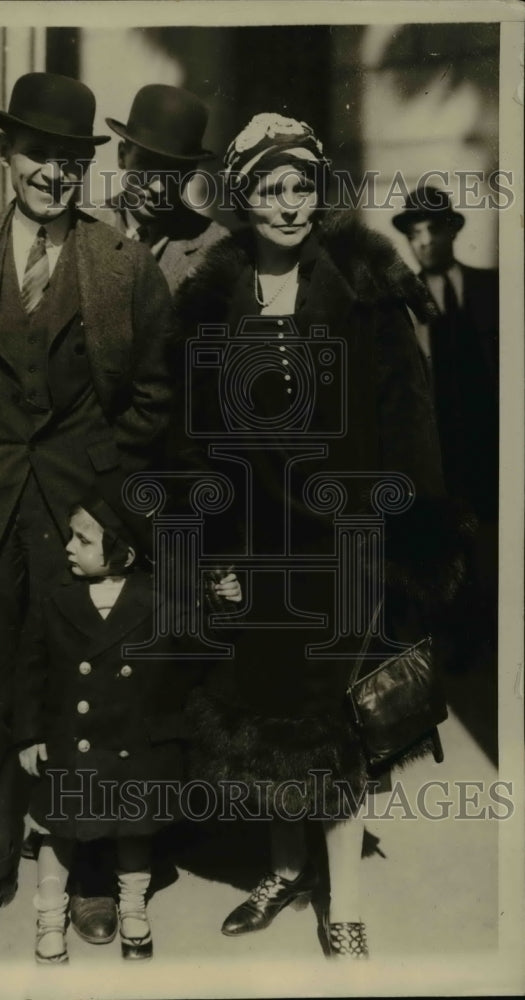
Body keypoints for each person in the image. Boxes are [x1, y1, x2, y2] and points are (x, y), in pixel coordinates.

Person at [173, 114, 465, 958]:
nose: (289, 204)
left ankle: (344, 902)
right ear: (241, 197)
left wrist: (411, 545)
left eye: (301, 185)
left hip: (343, 545)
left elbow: (407, 423)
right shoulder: (210, 302)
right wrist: (212, 557)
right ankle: (283, 868)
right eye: (270, 188)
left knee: (338, 730)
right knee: (264, 717)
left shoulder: (365, 289)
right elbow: (195, 444)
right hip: (253, 551)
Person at [0, 71, 176, 952]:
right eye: (39, 152)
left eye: (71, 159)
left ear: (87, 167)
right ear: (7, 152)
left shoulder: (119, 265)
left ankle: (88, 877)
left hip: (79, 517)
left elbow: (155, 400)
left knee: (91, 702)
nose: (53, 171)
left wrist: (107, 499)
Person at [15, 491, 242, 963]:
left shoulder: (156, 600)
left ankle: (134, 908)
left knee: (133, 829)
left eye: (83, 539)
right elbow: (30, 671)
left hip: (133, 742)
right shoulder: (56, 599)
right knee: (57, 829)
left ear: (124, 552)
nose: (69, 548)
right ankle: (50, 916)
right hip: (69, 742)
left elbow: (202, 648)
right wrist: (29, 734)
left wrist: (223, 606)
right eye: (71, 537)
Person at [391, 183, 498, 524]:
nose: (423, 241)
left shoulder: (494, 288)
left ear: (451, 231)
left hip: (494, 439)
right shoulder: (401, 301)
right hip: (441, 449)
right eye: (414, 233)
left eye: (433, 229)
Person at [93, 84, 228, 295]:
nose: (158, 187)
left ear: (191, 173)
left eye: (174, 171)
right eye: (145, 165)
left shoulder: (214, 247)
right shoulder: (83, 226)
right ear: (121, 156)